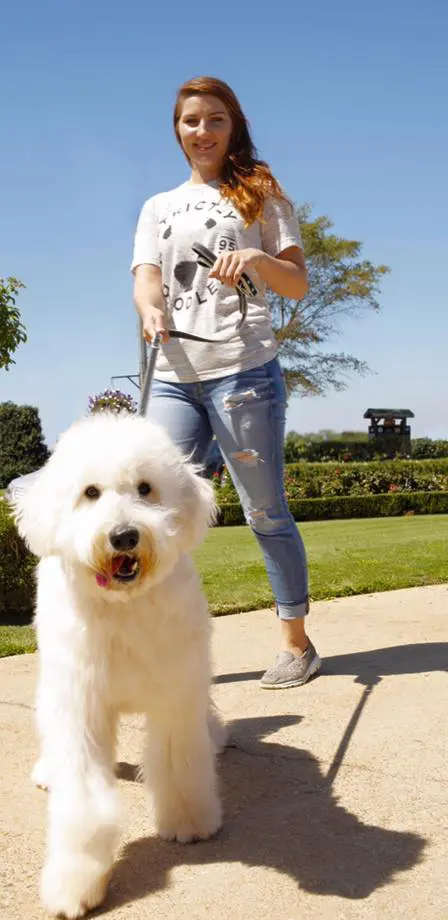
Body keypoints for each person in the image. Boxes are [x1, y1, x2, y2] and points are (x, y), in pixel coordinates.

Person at [131, 76, 320, 689]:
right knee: (151, 510)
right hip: (173, 378)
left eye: (215, 119)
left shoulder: (260, 194)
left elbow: (296, 282)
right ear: (177, 130)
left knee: (264, 511)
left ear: (232, 125)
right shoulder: (157, 206)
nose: (203, 131)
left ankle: (296, 643)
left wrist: (261, 261)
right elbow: (146, 277)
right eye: (191, 121)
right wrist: (151, 308)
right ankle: (156, 650)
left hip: (243, 370)